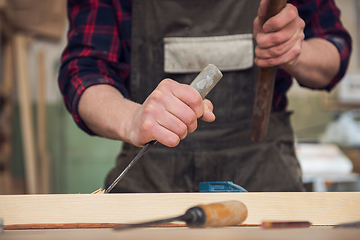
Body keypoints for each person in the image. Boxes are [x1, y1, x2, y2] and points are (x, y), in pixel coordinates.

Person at [58, 0, 352, 192]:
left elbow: (335, 47)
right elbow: (84, 71)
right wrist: (132, 119)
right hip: (151, 174)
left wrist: (293, 52)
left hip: (264, 170)